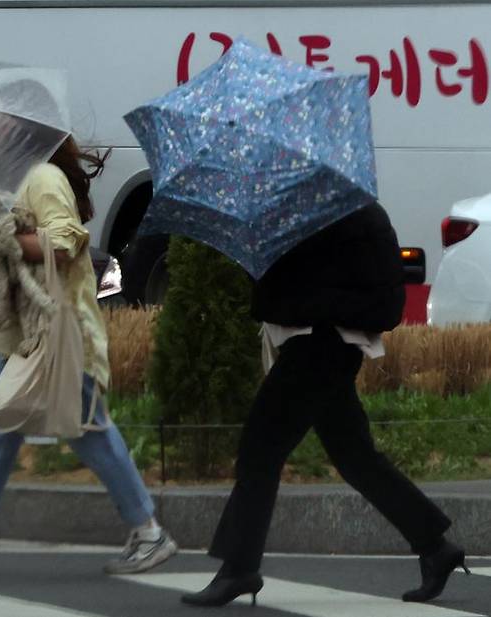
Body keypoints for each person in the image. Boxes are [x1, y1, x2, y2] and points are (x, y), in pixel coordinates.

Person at [0, 86, 177, 575]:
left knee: (88, 430)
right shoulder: (14, 180)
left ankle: (149, 533)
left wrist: (6, 232)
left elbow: (67, 244)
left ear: (23, 126)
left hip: (61, 329)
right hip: (29, 330)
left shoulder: (44, 177)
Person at [181, 202, 469, 607]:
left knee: (260, 450)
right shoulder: (343, 207)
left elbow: (301, 283)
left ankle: (239, 568)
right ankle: (435, 547)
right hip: (331, 343)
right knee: (355, 457)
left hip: (318, 344)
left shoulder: (331, 212)